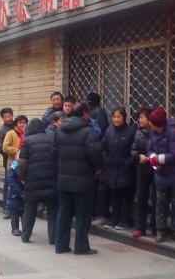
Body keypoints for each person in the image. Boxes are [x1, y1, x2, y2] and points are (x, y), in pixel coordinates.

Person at [53, 100, 104, 255]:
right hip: (83, 181)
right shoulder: (88, 132)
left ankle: (61, 245)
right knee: (83, 214)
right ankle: (81, 246)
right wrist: (98, 168)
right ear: (85, 114)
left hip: (63, 179)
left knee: (64, 212)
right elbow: (96, 155)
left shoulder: (59, 131)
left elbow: (53, 153)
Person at [147, 108, 175, 243]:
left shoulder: (174, 132)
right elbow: (149, 149)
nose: (149, 124)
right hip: (161, 174)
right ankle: (161, 229)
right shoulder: (153, 133)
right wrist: (153, 158)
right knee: (161, 203)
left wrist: (158, 159)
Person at [17, 118, 58, 244]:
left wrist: (22, 177)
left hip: (33, 180)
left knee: (30, 209)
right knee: (53, 211)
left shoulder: (27, 141)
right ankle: (53, 238)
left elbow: (22, 163)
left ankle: (25, 236)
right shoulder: (52, 138)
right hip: (52, 179)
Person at [96, 107, 137, 229]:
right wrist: (106, 160)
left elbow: (134, 150)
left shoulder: (130, 132)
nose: (116, 119)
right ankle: (115, 219)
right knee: (114, 195)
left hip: (126, 170)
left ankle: (124, 220)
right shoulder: (109, 131)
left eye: (119, 117)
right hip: (111, 169)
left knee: (125, 196)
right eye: (114, 117)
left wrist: (128, 162)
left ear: (124, 118)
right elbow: (103, 147)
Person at [131, 106, 156, 238]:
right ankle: (140, 227)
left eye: (142, 118)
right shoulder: (138, 133)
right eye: (139, 118)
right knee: (141, 198)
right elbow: (133, 149)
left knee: (156, 198)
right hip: (141, 169)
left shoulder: (156, 133)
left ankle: (155, 227)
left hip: (156, 169)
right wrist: (138, 155)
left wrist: (151, 157)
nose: (140, 120)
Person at [0, 107, 15, 215]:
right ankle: (6, 207)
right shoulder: (2, 130)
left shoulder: (17, 125)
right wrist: (10, 153)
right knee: (8, 183)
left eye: (9, 116)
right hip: (8, 161)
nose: (8, 118)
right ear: (2, 118)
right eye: (5, 117)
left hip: (20, 160)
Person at [5, 160, 25, 235]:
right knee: (14, 213)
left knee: (24, 213)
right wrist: (19, 192)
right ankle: (15, 228)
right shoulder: (13, 167)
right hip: (14, 195)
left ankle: (25, 228)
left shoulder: (26, 165)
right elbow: (11, 181)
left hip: (24, 193)